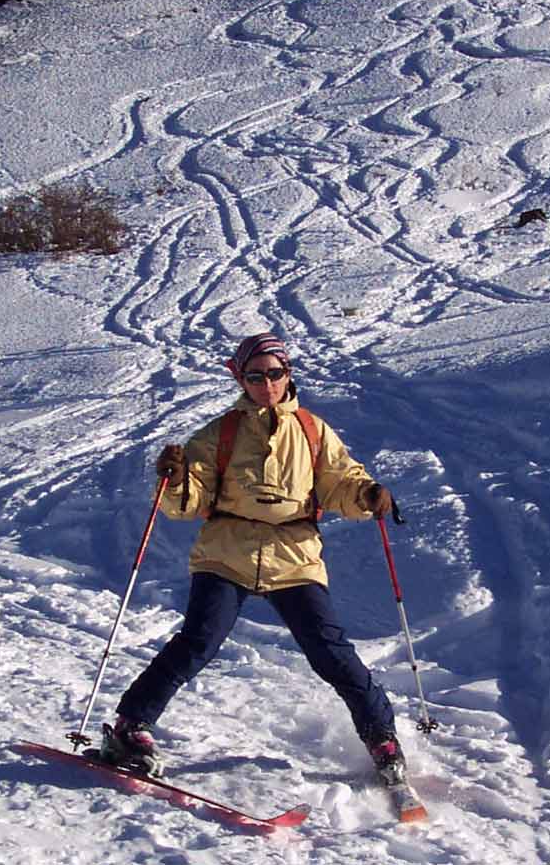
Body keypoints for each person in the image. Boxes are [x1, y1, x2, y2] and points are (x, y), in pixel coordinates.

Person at [100, 332, 407, 786]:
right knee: (199, 641)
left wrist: (366, 494)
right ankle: (130, 727)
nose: (267, 384)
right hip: (227, 552)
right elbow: (189, 501)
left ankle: (382, 738)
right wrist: (179, 477)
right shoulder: (220, 433)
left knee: (330, 651)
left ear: (288, 374)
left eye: (275, 374)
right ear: (240, 378)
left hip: (294, 556)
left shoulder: (312, 430)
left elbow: (340, 482)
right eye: (255, 376)